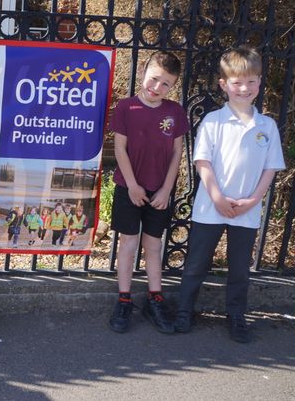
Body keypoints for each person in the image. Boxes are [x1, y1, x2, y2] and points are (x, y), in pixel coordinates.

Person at [175, 46, 285, 343]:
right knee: (196, 263)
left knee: (239, 270)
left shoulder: (267, 126)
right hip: (211, 207)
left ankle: (236, 315)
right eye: (237, 82)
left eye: (251, 82)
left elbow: (270, 169)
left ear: (259, 83)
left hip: (246, 211)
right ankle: (184, 310)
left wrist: (252, 200)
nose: (244, 88)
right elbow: (203, 163)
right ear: (224, 85)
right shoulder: (213, 122)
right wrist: (217, 197)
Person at [108, 51, 187, 334]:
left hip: (159, 191)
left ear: (173, 86)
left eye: (166, 84)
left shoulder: (175, 111)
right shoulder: (126, 108)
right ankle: (124, 299)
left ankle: (155, 298)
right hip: (128, 187)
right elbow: (119, 148)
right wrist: (132, 185)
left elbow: (177, 151)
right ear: (143, 71)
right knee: (128, 243)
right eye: (154, 79)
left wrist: (166, 189)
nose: (157, 87)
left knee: (153, 245)